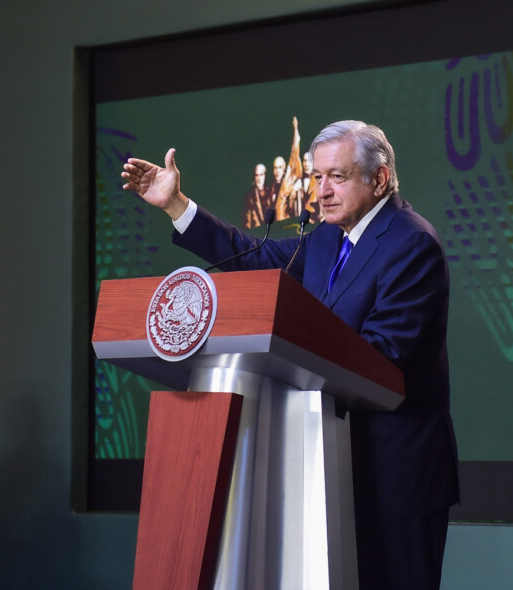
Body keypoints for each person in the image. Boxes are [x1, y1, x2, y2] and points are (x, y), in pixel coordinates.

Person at [121, 120, 460, 590]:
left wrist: (295, 351)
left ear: (379, 179)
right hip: (329, 465)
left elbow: (383, 361)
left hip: (395, 476)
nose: (321, 191)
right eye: (317, 177)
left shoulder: (412, 243)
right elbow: (250, 258)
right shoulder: (325, 239)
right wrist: (177, 206)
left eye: (336, 177)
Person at [242, 163, 269, 229]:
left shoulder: (270, 191)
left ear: (265, 175)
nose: (259, 178)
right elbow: (247, 222)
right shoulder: (249, 196)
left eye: (261, 175)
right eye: (257, 175)